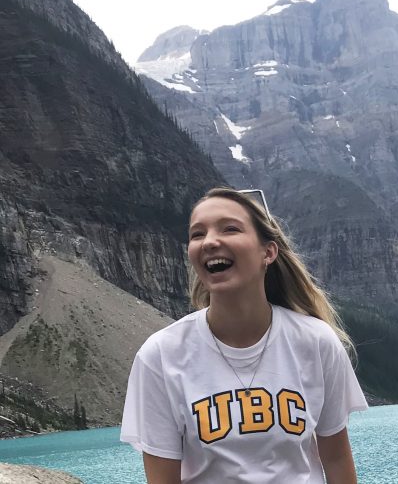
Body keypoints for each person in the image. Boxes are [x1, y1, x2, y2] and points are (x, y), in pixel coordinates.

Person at [120, 187, 367, 483]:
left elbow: (336, 458)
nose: (210, 241)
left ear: (268, 251)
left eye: (230, 229)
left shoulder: (315, 341)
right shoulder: (160, 355)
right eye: (197, 234)